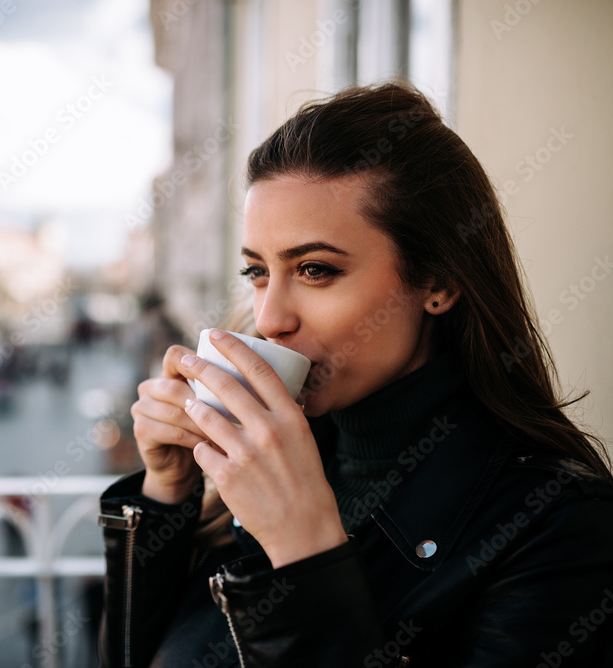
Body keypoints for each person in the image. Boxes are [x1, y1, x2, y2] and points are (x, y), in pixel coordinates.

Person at [96, 82, 613, 667]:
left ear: (439, 282)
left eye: (315, 269)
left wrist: (304, 550)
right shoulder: (255, 471)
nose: (270, 319)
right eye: (258, 272)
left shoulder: (553, 528)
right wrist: (165, 496)